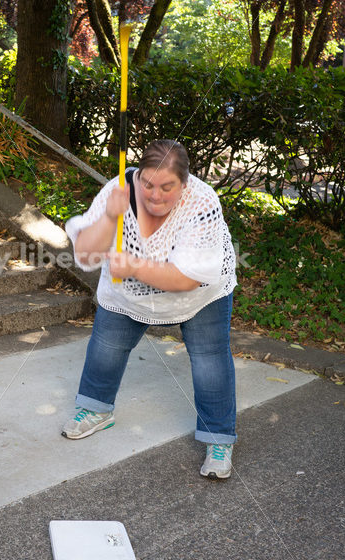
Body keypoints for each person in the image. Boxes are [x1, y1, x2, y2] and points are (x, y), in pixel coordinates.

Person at [61, 139, 238, 480]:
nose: (155, 195)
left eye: (167, 187)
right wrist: (110, 215)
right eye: (147, 184)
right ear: (138, 175)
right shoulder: (119, 189)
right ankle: (95, 409)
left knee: (209, 359)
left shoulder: (202, 202)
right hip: (128, 292)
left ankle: (218, 437)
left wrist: (134, 267)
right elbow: (85, 254)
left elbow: (187, 278)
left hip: (200, 294)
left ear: (184, 184)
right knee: (107, 346)